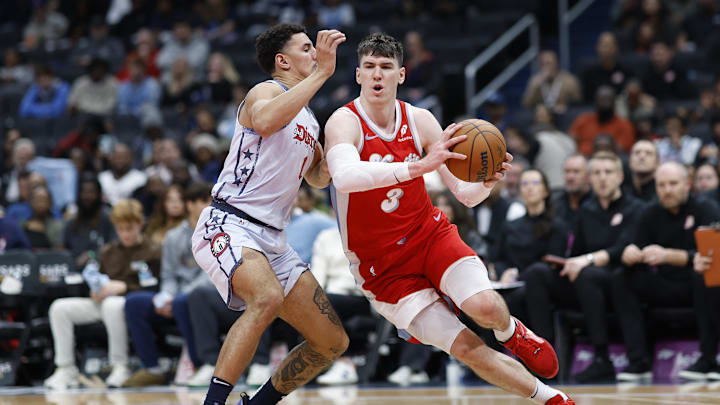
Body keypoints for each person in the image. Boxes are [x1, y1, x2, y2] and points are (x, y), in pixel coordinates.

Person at [324, 33, 573, 405]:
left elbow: (466, 196)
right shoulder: (343, 122)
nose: (378, 75)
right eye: (370, 67)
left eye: (386, 67)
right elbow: (344, 177)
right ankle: (551, 398)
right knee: (467, 347)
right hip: (382, 270)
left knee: (485, 307)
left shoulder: (420, 120)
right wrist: (416, 166)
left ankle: (511, 332)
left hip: (428, 235)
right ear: (358, 74)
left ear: (402, 75)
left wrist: (486, 183)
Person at [190, 24, 348, 405]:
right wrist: (324, 73)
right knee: (266, 297)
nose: (315, 53)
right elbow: (263, 121)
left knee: (331, 342)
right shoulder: (267, 90)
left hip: (274, 240)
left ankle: (258, 404)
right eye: (307, 48)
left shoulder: (309, 118)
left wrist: (354, 147)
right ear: (282, 60)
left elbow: (316, 176)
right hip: (229, 222)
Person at [525, 151, 645, 383]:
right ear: (590, 179)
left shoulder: (635, 208)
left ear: (620, 176)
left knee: (587, 275)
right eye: (597, 173)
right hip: (585, 283)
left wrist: (586, 260)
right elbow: (575, 252)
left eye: (608, 172)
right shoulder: (586, 211)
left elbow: (623, 249)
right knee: (536, 273)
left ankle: (602, 359)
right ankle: (543, 358)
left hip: (620, 281)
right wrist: (566, 262)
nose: (602, 178)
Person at [612, 162, 720, 381]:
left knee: (704, 273)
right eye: (662, 185)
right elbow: (636, 246)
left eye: (673, 184)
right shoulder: (650, 212)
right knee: (622, 278)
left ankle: (709, 360)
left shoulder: (705, 208)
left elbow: (712, 257)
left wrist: (669, 255)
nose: (667, 190)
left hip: (700, 283)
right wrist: (630, 253)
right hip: (665, 283)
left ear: (687, 185)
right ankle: (639, 362)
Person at [43, 199, 161, 389]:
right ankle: (65, 368)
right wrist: (95, 290)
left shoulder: (153, 251)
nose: (125, 234)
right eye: (120, 229)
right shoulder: (107, 251)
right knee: (59, 307)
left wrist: (124, 287)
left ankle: (120, 366)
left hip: (130, 304)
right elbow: (96, 277)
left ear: (141, 224)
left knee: (112, 305)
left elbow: (155, 287)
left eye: (130, 228)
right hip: (102, 302)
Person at [123, 183, 211, 387]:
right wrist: (166, 297)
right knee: (134, 302)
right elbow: (168, 275)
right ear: (190, 205)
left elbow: (211, 275)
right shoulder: (173, 236)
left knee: (183, 302)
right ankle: (151, 367)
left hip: (204, 295)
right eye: (204, 201)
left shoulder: (217, 233)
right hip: (176, 296)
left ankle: (198, 364)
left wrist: (178, 297)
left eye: (211, 201)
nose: (210, 206)